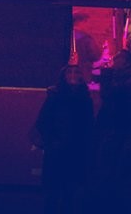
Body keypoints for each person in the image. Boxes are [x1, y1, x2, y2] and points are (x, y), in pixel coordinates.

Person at [32, 63, 94, 214]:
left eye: (76, 72)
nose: (73, 75)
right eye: (70, 72)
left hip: (75, 150)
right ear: (64, 76)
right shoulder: (56, 96)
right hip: (58, 149)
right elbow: (43, 121)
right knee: (54, 191)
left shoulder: (85, 98)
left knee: (70, 192)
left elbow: (88, 124)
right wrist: (52, 140)